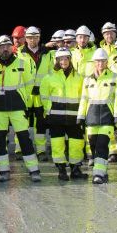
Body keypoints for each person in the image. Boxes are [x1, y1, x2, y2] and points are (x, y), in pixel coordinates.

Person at [0, 35, 43, 182]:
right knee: (1, 141)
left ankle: (34, 170)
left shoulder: (21, 63)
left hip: (18, 107)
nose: (5, 49)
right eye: (1, 47)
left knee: (24, 139)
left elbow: (29, 83)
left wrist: (23, 100)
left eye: (7, 46)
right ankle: (4, 171)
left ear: (12, 47)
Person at [40, 48, 86, 180]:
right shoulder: (49, 78)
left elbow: (83, 97)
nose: (64, 61)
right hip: (56, 117)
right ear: (56, 60)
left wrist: (82, 114)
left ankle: (75, 169)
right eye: (61, 59)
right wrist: (48, 111)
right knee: (57, 143)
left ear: (70, 60)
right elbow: (44, 96)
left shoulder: (79, 78)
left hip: (74, 117)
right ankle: (61, 170)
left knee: (77, 143)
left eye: (66, 58)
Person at [77, 48, 117, 184]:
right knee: (93, 146)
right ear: (94, 63)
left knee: (102, 145)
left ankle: (98, 174)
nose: (100, 64)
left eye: (103, 61)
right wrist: (80, 116)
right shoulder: (87, 80)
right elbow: (84, 99)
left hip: (107, 117)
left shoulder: (115, 77)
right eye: (98, 61)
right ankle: (103, 171)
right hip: (91, 118)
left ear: (107, 62)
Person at [19, 26, 52, 160]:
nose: (33, 40)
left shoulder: (47, 53)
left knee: (40, 124)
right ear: (26, 39)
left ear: (39, 38)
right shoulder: (19, 53)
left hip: (41, 94)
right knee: (22, 122)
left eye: (36, 37)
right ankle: (19, 149)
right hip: (26, 93)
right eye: (30, 37)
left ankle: (41, 150)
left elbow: (51, 73)